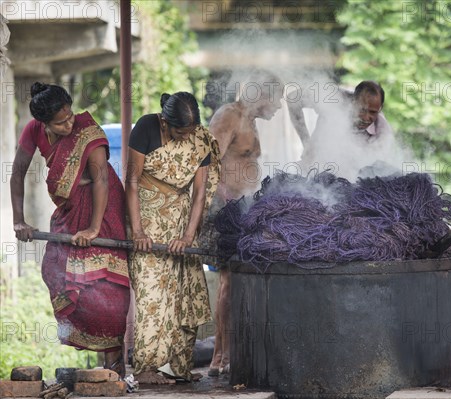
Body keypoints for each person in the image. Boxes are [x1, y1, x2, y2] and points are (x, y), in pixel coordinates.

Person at [10, 82, 130, 376]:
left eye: (70, 116)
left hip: (104, 208)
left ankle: (114, 369)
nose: (69, 124)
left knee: (107, 288)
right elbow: (17, 173)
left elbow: (101, 180)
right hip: (69, 210)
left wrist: (92, 229)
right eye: (60, 122)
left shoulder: (88, 130)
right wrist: (19, 220)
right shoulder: (33, 131)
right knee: (56, 270)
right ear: (43, 123)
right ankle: (99, 370)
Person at [125, 92, 220, 384]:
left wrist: (189, 236)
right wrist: (138, 231)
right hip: (147, 218)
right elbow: (131, 180)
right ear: (164, 122)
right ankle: (145, 369)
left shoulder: (200, 138)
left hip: (181, 222)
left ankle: (179, 366)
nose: (185, 138)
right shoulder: (145, 128)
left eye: (190, 132)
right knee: (152, 294)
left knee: (184, 293)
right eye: (180, 132)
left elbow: (200, 192)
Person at [200, 70, 284, 377]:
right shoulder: (229, 116)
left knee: (242, 279)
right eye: (276, 99)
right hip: (227, 208)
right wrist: (228, 201)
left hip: (247, 207)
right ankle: (220, 356)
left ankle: (231, 353)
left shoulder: (251, 122)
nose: (277, 107)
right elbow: (208, 163)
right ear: (260, 94)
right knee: (229, 281)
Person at [289, 80, 396, 180]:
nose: (366, 118)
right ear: (353, 101)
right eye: (362, 109)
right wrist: (306, 142)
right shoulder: (333, 99)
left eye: (372, 112)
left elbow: (377, 170)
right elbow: (292, 99)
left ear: (380, 108)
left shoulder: (382, 132)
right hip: (309, 174)